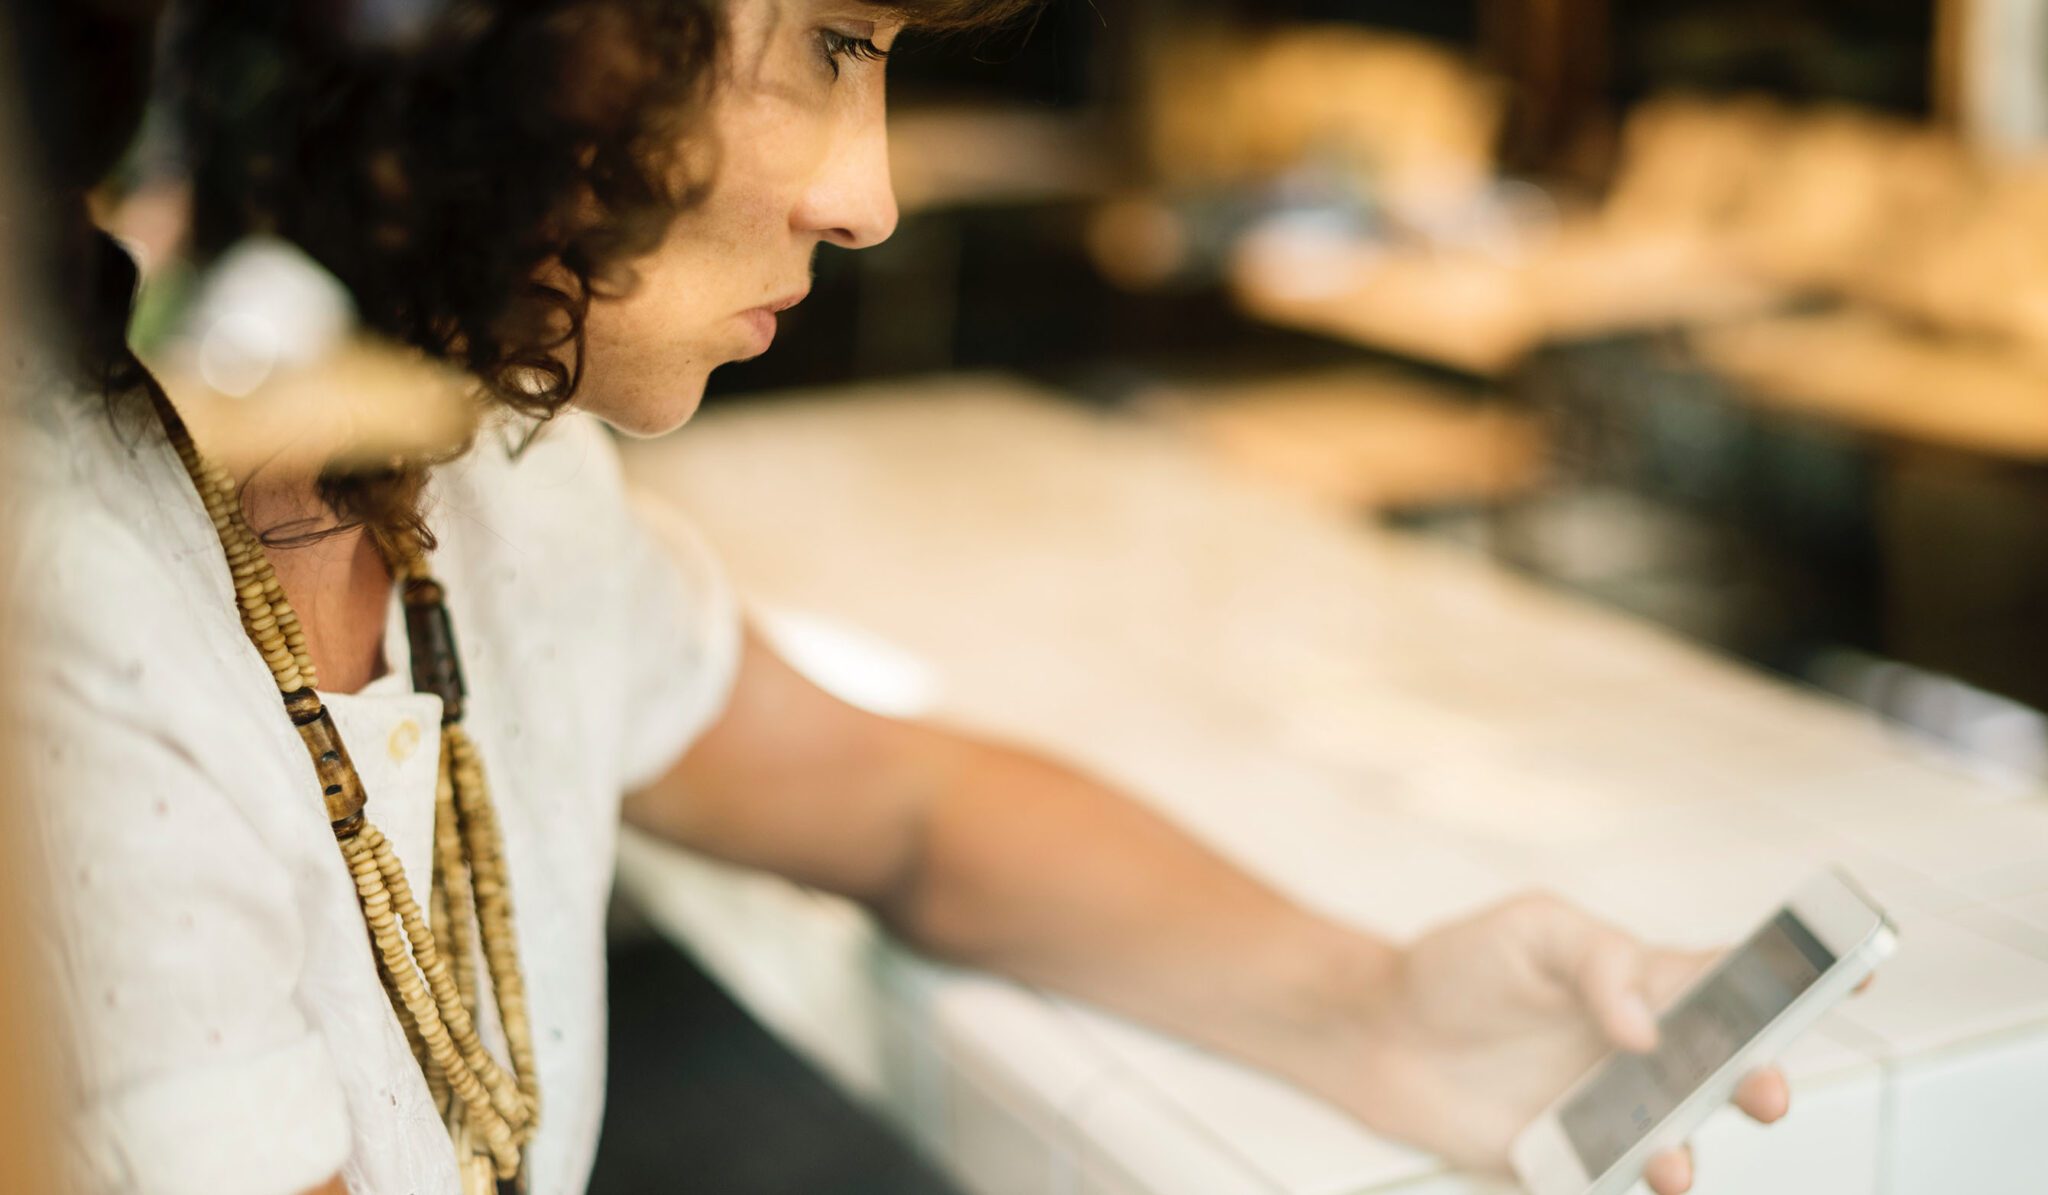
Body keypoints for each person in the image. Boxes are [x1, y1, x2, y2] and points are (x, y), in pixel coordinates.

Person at [8, 2, 1791, 1193]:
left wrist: (1386, 1013)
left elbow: (899, 805)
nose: (866, 196)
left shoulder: (498, 483)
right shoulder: (71, 644)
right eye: (830, 45)